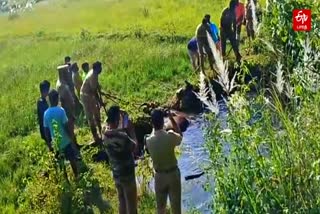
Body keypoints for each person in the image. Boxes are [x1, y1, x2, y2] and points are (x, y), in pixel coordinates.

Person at [146, 109, 183, 214]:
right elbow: (180, 136)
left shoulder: (149, 141)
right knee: (176, 208)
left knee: (161, 209)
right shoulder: (170, 136)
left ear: (152, 123)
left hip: (159, 176)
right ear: (163, 121)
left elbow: (154, 133)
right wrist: (171, 118)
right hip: (173, 175)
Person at [103, 105, 138, 214]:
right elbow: (135, 147)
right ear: (117, 119)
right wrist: (131, 130)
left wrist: (118, 112)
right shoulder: (122, 137)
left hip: (116, 172)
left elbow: (106, 123)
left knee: (122, 201)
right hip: (127, 174)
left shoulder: (104, 134)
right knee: (132, 204)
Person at [43, 89, 79, 178]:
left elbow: (46, 130)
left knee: (61, 163)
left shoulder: (46, 114)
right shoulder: (61, 110)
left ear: (49, 100)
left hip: (56, 143)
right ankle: (76, 176)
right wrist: (71, 136)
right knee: (72, 159)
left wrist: (49, 143)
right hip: (65, 140)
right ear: (57, 99)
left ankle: (65, 178)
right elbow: (66, 125)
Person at [56, 64, 80, 150]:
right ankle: (75, 149)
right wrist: (72, 112)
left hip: (67, 109)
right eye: (67, 71)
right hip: (67, 111)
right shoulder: (63, 85)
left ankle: (76, 145)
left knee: (71, 129)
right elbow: (69, 100)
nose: (68, 73)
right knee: (70, 130)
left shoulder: (60, 83)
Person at [80, 61, 104, 144]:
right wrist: (100, 101)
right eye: (100, 67)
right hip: (86, 96)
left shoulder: (95, 73)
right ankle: (96, 137)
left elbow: (96, 86)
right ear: (97, 68)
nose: (101, 69)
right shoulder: (93, 75)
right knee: (91, 116)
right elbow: (94, 91)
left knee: (97, 113)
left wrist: (100, 93)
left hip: (90, 95)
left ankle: (101, 131)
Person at [37, 80, 51, 144]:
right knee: (50, 143)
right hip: (45, 128)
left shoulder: (43, 100)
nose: (48, 92)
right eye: (48, 90)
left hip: (46, 127)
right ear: (44, 91)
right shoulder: (41, 102)